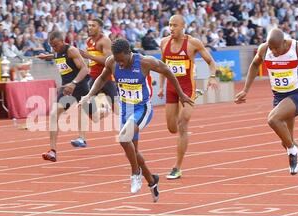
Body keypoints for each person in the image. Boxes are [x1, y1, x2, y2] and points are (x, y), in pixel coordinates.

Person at [79, 39, 194, 202]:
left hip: (142, 109)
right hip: (126, 110)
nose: (121, 64)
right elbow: (102, 78)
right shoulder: (112, 62)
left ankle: (135, 174)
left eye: (122, 60)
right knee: (133, 151)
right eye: (117, 61)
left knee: (124, 138)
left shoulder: (145, 62)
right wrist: (90, 94)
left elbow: (167, 71)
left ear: (129, 53)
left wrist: (181, 94)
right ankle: (152, 180)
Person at [235, 28, 298, 179]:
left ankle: (292, 152)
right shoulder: (264, 49)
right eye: (271, 48)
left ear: (284, 43)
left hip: (296, 95)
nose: (273, 51)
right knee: (286, 140)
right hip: (278, 98)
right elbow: (254, 65)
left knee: (273, 119)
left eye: (276, 48)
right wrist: (245, 90)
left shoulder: (297, 48)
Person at [158, 15, 218, 180]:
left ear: (183, 26)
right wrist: (162, 86)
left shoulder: (193, 43)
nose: (171, 28)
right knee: (172, 128)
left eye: (175, 25)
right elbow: (162, 66)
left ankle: (177, 167)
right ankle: (181, 134)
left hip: (186, 88)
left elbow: (211, 62)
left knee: (182, 123)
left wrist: (212, 76)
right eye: (170, 25)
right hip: (171, 88)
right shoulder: (164, 43)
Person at [37, 31, 89, 162]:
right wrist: (46, 57)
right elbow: (55, 55)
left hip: (80, 86)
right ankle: (53, 151)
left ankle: (101, 110)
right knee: (54, 114)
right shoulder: (57, 51)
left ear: (62, 41)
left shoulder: (71, 50)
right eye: (51, 46)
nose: (54, 48)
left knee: (93, 114)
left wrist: (73, 83)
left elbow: (85, 69)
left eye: (55, 45)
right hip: (66, 89)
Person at [73, 18, 117, 147]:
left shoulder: (105, 41)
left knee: (118, 110)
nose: (90, 27)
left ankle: (129, 132)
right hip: (93, 78)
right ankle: (81, 138)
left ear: (100, 27)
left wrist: (89, 56)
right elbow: (91, 61)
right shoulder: (88, 41)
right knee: (85, 107)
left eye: (93, 25)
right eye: (89, 25)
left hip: (106, 79)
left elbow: (109, 61)